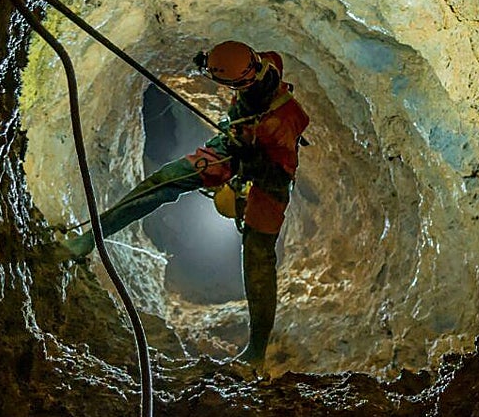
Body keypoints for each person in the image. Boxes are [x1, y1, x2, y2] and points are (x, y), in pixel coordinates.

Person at [63, 40, 310, 366]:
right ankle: (87, 240)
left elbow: (275, 171)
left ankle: (256, 352)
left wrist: (249, 162)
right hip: (235, 142)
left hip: (269, 168)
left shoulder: (283, 121)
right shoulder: (261, 62)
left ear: (242, 81)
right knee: (164, 181)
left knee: (258, 253)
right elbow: (258, 59)